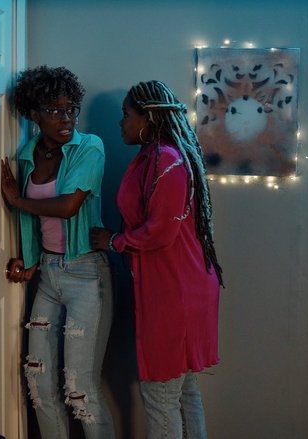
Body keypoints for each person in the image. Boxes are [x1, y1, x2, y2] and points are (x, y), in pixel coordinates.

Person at [91, 80, 223, 439]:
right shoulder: (159, 156)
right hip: (182, 285)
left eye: (126, 115)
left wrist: (114, 241)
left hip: (175, 291)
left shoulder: (166, 159)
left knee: (161, 395)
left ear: (147, 118)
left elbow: (160, 232)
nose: (121, 123)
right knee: (183, 391)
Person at [1, 65, 114, 439]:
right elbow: (33, 222)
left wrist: (17, 199)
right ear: (34, 114)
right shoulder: (26, 155)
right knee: (38, 381)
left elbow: (68, 207)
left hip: (86, 274)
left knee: (81, 390)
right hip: (48, 276)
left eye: (71, 109)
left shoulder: (89, 147)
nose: (66, 118)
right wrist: (29, 258)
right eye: (54, 110)